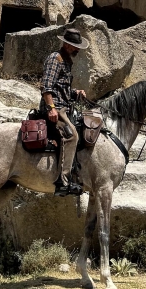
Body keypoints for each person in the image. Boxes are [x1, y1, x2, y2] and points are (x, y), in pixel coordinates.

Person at [40, 28, 89, 197]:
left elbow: (62, 88)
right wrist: (51, 108)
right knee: (72, 136)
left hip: (64, 107)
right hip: (55, 108)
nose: (77, 50)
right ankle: (63, 181)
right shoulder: (56, 59)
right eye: (75, 46)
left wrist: (75, 93)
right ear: (67, 44)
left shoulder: (67, 61)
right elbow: (46, 87)